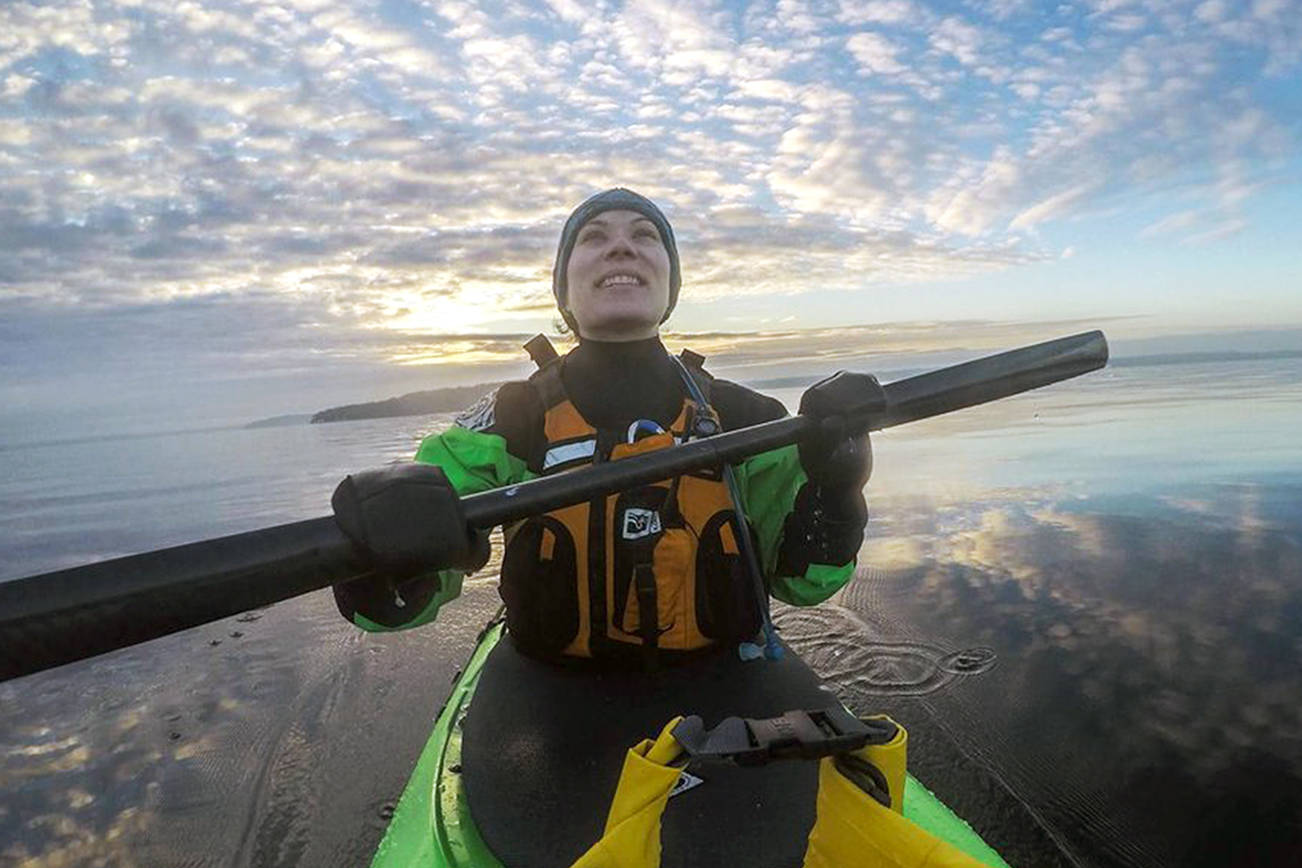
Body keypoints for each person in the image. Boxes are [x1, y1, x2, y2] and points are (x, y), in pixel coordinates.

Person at [330, 187, 871, 668]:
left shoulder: (747, 418)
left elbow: (803, 584)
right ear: (563, 293)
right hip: (547, 687)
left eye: (645, 235)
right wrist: (380, 563)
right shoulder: (512, 418)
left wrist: (837, 490)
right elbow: (400, 606)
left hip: (726, 677)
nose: (621, 247)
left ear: (669, 286)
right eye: (593, 238)